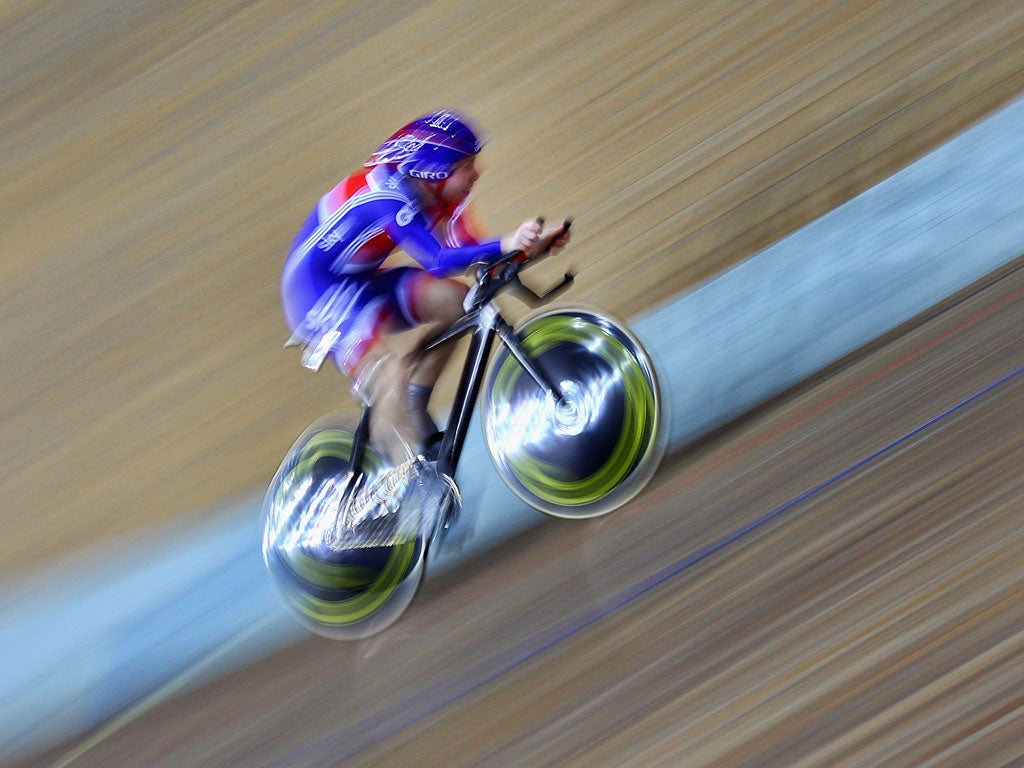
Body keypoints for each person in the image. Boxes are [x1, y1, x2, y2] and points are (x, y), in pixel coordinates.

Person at [281, 109, 570, 463]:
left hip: (360, 281)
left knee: (460, 301)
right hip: (314, 293)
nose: (476, 173)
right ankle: (396, 484)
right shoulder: (387, 195)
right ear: (435, 168)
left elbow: (472, 260)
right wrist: (508, 242)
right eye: (466, 165)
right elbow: (436, 260)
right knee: (391, 373)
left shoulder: (441, 195)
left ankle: (415, 399)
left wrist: (528, 249)